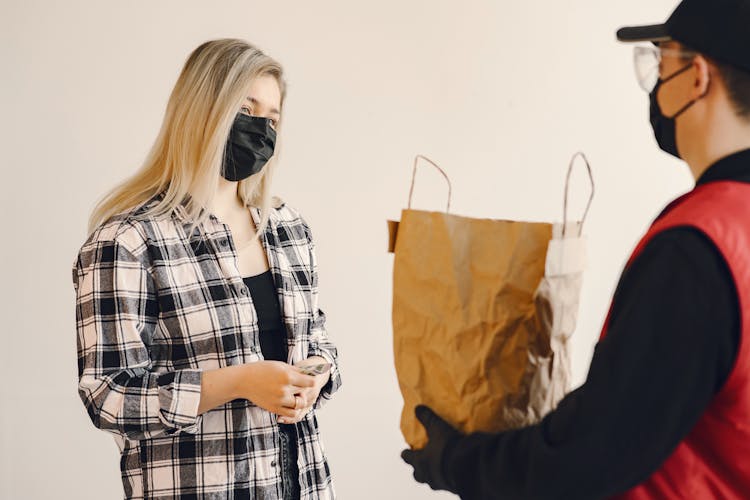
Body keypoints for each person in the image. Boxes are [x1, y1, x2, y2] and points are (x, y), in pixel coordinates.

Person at [401, 1, 750, 498]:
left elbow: (587, 458)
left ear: (697, 77)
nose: (654, 84)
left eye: (661, 63)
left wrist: (455, 461)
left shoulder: (697, 248)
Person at [73, 39, 341, 499]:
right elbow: (110, 397)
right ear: (203, 110)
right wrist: (238, 382)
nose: (260, 129)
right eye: (245, 107)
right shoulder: (129, 241)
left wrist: (317, 376)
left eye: (271, 118)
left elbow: (318, 342)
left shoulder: (289, 229)